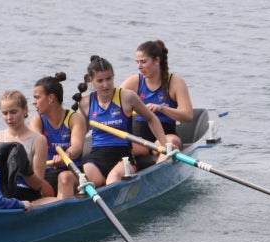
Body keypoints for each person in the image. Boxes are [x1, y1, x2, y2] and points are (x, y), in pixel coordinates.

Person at [74, 55, 167, 187]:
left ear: (113, 76)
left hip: (124, 157)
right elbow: (81, 132)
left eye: (109, 79)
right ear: (91, 81)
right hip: (97, 157)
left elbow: (151, 118)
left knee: (113, 180)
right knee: (81, 180)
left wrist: (165, 146)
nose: (105, 85)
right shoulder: (85, 103)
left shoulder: (127, 97)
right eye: (100, 81)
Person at [121, 39, 193, 161]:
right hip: (139, 138)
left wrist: (162, 109)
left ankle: (159, 171)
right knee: (117, 146)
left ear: (157, 60)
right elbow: (112, 103)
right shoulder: (134, 81)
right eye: (137, 62)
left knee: (171, 142)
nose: (139, 66)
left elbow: (188, 115)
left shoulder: (175, 83)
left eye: (143, 62)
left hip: (165, 135)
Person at [0, 90, 55, 204]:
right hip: (0, 193)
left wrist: (25, 169)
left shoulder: (38, 140)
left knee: (57, 201)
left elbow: (37, 185)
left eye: (13, 112)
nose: (9, 117)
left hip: (27, 194)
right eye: (5, 113)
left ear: (25, 110)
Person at [30, 72, 87, 200]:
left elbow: (77, 147)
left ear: (50, 98)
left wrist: (66, 155)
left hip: (72, 172)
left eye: (37, 97)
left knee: (64, 178)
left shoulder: (74, 119)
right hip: (46, 172)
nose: (34, 102)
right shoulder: (37, 120)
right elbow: (34, 146)